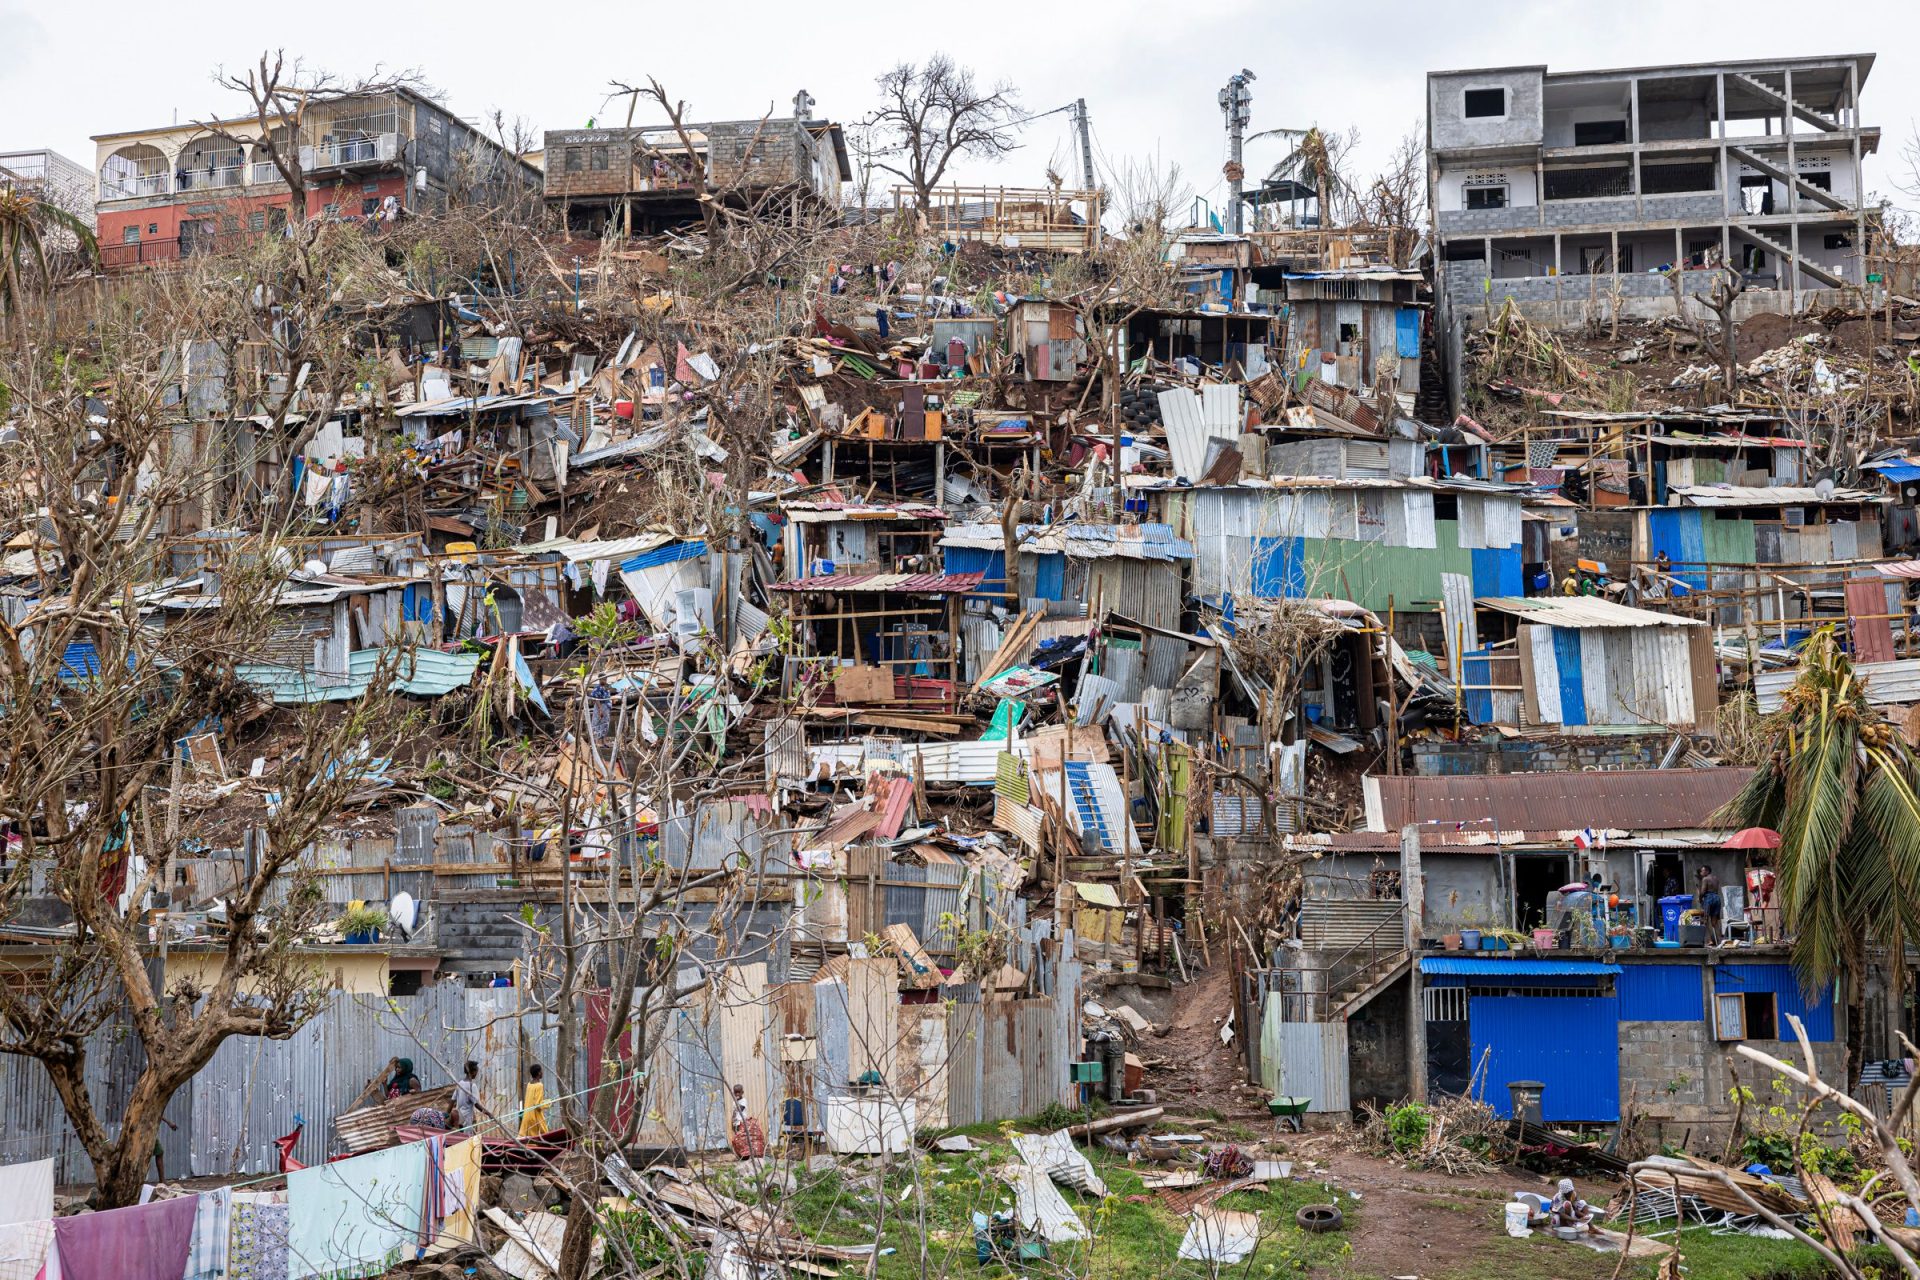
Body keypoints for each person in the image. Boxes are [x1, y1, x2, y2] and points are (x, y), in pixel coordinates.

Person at [518, 1063, 549, 1138]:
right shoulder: (539, 1085)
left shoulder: (529, 1084)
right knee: (543, 1136)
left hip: (527, 1116)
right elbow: (538, 1105)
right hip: (535, 1117)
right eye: (541, 1071)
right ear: (538, 1073)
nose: (542, 1073)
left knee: (525, 1137)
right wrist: (549, 1103)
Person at [452, 1059, 483, 1130]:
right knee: (468, 1139)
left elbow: (452, 1101)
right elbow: (477, 1105)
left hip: (459, 1120)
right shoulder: (472, 1086)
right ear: (473, 1072)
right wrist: (488, 1113)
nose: (477, 1074)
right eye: (476, 1072)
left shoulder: (459, 1084)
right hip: (467, 1121)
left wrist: (446, 1116)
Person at [1697, 866, 1723, 944]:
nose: (1701, 873)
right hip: (1717, 899)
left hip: (1709, 899)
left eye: (1702, 871)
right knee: (1715, 922)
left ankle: (1709, 940)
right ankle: (1719, 940)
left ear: (1707, 871)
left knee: (1705, 920)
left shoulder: (1705, 879)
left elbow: (1703, 892)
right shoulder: (1716, 878)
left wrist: (1700, 898)